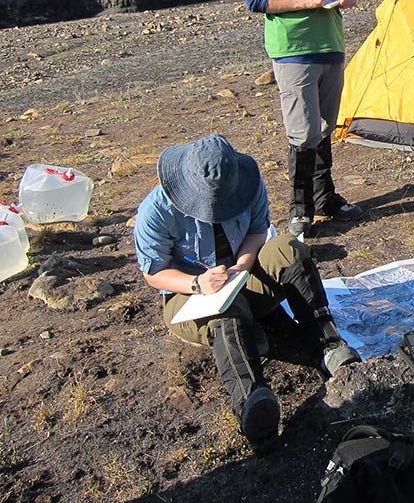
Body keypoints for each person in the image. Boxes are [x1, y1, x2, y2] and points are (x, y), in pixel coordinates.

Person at [133, 134, 360, 452]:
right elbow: (154, 273)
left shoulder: (248, 181)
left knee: (288, 249)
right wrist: (198, 285)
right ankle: (253, 401)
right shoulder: (156, 209)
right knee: (225, 309)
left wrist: (241, 267)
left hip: (240, 276)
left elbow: (257, 232)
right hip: (188, 298)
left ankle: (330, 347)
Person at [245, 0, 362, 237]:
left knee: (325, 126)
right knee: (303, 131)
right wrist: (303, 2)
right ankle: (300, 208)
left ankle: (325, 198)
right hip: (294, 50)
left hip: (330, 44)